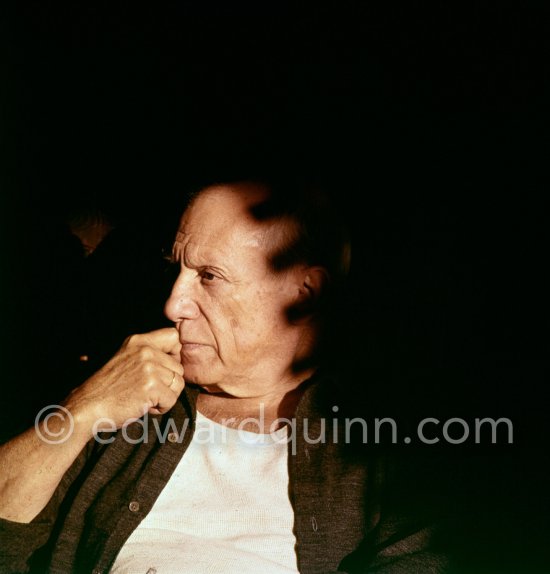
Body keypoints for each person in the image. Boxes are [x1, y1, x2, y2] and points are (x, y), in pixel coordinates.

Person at [0, 178, 451, 573]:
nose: (173, 305)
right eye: (176, 270)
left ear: (305, 292)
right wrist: (80, 412)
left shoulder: (386, 445)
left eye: (210, 276)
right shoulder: (130, 400)